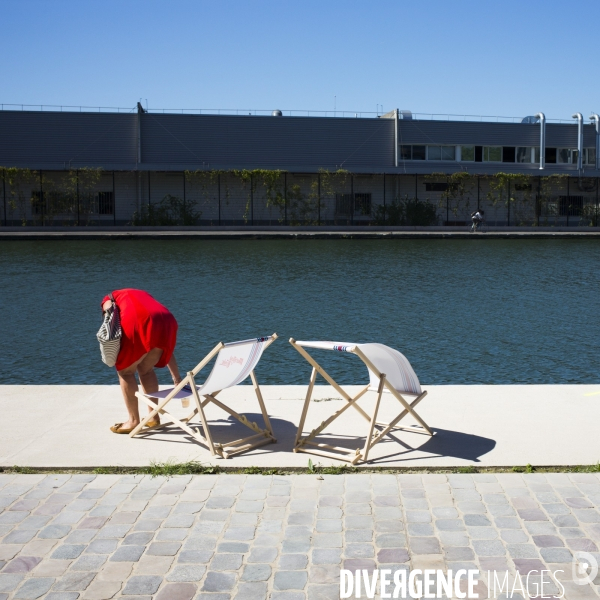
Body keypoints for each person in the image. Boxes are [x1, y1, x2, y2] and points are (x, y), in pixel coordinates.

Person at [100, 289, 181, 434]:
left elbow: (109, 322)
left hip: (138, 320)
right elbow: (166, 347)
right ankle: (153, 417)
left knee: (125, 372)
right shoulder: (143, 296)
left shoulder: (108, 298)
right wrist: (176, 377)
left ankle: (133, 421)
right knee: (146, 370)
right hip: (166, 319)